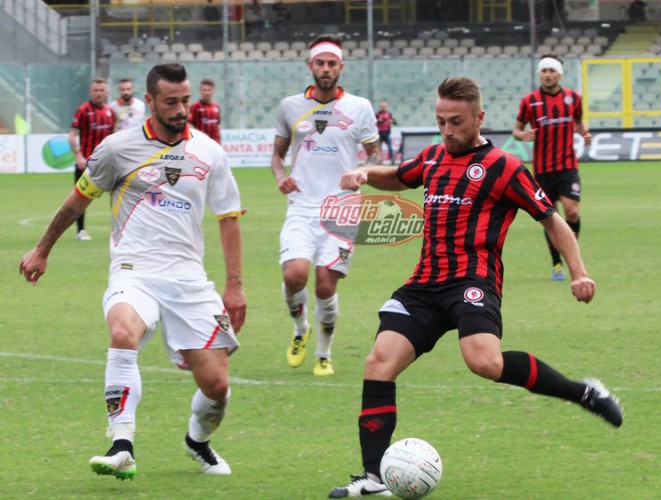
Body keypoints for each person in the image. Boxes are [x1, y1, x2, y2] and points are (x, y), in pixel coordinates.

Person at [328, 76, 622, 498]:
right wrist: (364, 173)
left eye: (457, 121)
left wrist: (579, 272)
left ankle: (583, 392)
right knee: (379, 362)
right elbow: (397, 176)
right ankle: (374, 479)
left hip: (473, 281)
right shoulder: (432, 158)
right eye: (441, 121)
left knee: (484, 362)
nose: (448, 130)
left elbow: (551, 218)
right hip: (425, 284)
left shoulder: (504, 167)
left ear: (479, 118)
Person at [20, 63, 247, 479]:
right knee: (122, 331)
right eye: (171, 102)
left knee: (216, 386)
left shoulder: (210, 152)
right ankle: (121, 443)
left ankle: (197, 442)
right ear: (150, 101)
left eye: (185, 100)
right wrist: (42, 248)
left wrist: (235, 286)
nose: (181, 110)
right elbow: (77, 201)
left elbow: (229, 217)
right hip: (133, 270)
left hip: (189, 278)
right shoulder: (116, 148)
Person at [272, 34, 380, 377]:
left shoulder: (359, 107)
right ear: (310, 67)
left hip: (343, 208)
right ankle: (300, 329)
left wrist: (362, 171)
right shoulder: (290, 106)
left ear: (341, 68)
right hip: (302, 206)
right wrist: (279, 176)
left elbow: (375, 153)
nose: (326, 69)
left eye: (332, 63)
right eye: (320, 63)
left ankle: (323, 351)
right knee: (294, 275)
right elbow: (277, 153)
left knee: (323, 285)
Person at [512, 55, 592, 281]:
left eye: (551, 70)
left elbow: (578, 121)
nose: (547, 74)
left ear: (560, 74)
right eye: (544, 70)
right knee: (551, 219)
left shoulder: (573, 98)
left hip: (567, 166)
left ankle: (571, 251)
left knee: (572, 211)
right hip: (543, 170)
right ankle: (557, 262)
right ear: (540, 74)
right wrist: (523, 135)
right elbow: (516, 130)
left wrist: (583, 132)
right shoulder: (530, 101)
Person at [68, 78, 115, 242]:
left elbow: (114, 136)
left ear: (107, 92)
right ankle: (80, 230)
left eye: (102, 90)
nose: (99, 93)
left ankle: (117, 229)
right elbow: (73, 134)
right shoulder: (83, 110)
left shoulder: (110, 112)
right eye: (96, 90)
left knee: (117, 194)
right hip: (86, 162)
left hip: (108, 162)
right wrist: (78, 155)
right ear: (91, 92)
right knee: (81, 197)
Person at [189, 78, 222, 144]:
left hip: (215, 143)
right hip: (201, 143)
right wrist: (197, 137)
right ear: (200, 91)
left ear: (213, 91)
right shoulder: (195, 106)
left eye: (209, 90)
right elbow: (189, 124)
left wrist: (219, 141)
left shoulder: (216, 107)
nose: (207, 93)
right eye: (204, 90)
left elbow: (217, 126)